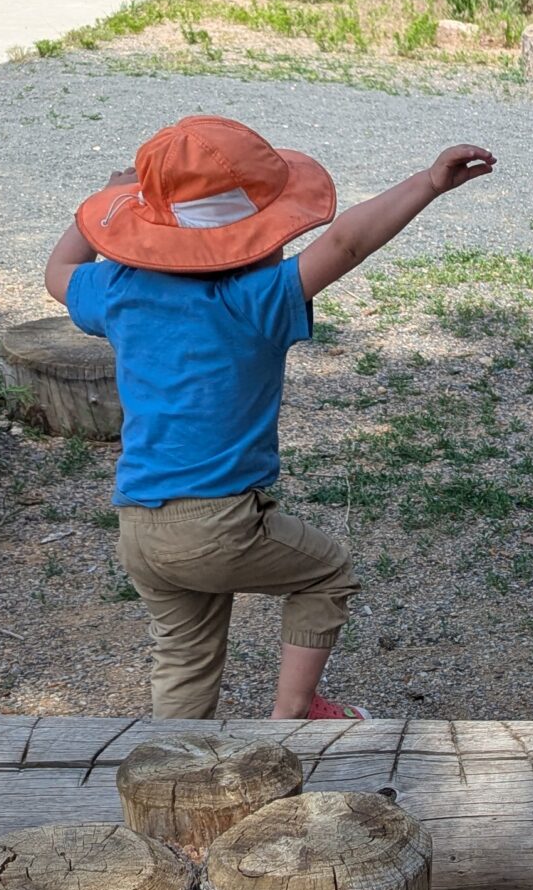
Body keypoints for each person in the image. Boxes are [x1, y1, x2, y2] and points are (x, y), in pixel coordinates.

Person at [47, 115, 495, 719]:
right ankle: (292, 719)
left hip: (139, 527)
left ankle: (174, 759)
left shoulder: (120, 290)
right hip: (218, 524)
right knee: (325, 573)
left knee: (183, 654)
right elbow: (346, 244)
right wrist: (428, 183)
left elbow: (57, 274)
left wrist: (105, 205)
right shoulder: (252, 300)